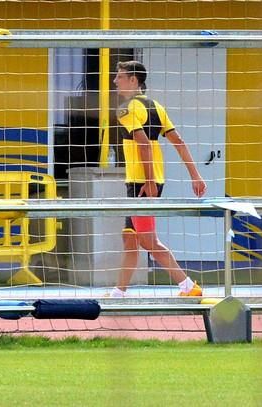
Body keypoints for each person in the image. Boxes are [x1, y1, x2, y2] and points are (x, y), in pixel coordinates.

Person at [110, 61, 207, 297]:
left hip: (142, 184)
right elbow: (179, 142)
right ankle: (118, 293)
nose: (115, 81)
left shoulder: (126, 109)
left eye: (120, 76)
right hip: (146, 181)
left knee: (148, 241)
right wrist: (196, 176)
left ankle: (187, 286)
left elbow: (143, 143)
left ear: (134, 80)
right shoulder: (157, 106)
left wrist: (149, 181)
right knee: (130, 239)